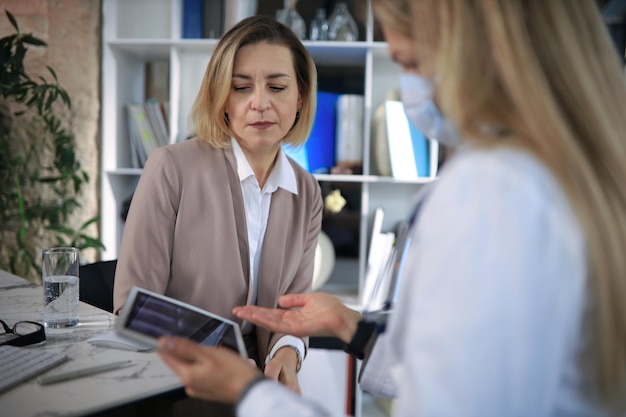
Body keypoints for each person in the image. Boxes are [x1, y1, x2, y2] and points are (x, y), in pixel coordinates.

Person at [156, 0, 626, 416]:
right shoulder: (573, 179)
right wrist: (351, 328)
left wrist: (249, 393)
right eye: (242, 87)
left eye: (409, 61)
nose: (411, 88)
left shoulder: (490, 191)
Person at [113, 14, 322, 396]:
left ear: (300, 99)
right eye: (241, 88)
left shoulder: (306, 191)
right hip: (177, 386)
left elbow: (293, 307)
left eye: (277, 87)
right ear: (222, 99)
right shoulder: (170, 167)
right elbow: (133, 305)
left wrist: (287, 355)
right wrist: (219, 357)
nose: (260, 103)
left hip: (257, 392)